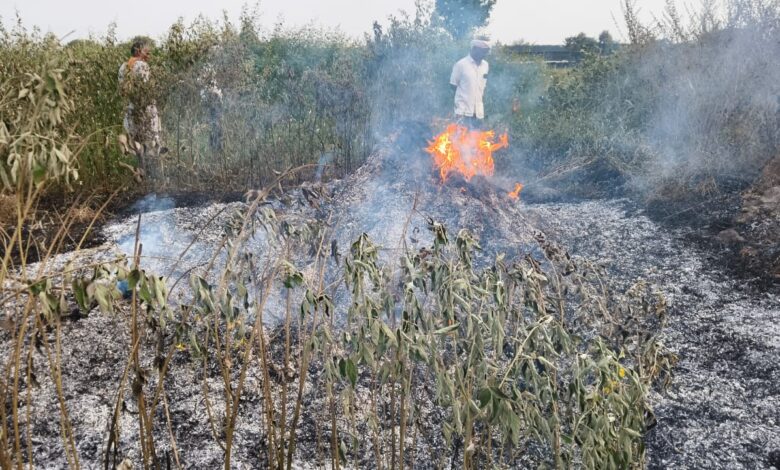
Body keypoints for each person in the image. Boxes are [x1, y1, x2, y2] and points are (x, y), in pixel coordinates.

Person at [118, 37, 163, 178]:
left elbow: (122, 90)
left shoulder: (123, 67)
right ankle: (154, 175)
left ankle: (142, 172)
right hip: (145, 109)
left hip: (131, 109)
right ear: (138, 51)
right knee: (152, 141)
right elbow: (145, 88)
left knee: (136, 141)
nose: (148, 54)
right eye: (146, 51)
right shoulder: (142, 66)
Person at [450, 38, 491, 129]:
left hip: (479, 113)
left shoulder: (485, 65)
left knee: (476, 141)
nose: (484, 55)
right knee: (460, 141)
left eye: (486, 52)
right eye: (482, 52)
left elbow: (482, 86)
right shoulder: (460, 64)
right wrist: (461, 103)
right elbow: (453, 86)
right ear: (474, 49)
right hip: (463, 113)